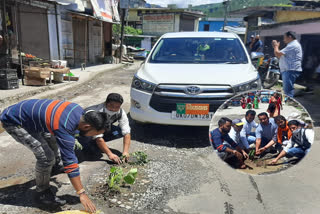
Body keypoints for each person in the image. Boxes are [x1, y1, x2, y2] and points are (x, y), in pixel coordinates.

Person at [0, 99, 109, 212]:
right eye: (94, 134)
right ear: (86, 126)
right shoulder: (64, 127)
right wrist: (81, 193)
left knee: (52, 139)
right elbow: (70, 162)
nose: (92, 137)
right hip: (14, 121)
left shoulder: (78, 111)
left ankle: (55, 166)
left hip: (30, 116)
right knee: (46, 158)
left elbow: (64, 130)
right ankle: (42, 193)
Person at [78, 93, 131, 164]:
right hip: (86, 131)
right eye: (111, 105)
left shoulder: (120, 112)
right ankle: (87, 145)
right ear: (106, 103)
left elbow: (126, 131)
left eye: (117, 107)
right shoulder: (95, 113)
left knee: (120, 131)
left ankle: (97, 144)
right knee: (90, 148)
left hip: (101, 130)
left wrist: (125, 152)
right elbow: (98, 137)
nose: (114, 109)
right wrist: (110, 154)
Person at [272, 31, 303, 98]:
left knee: (288, 92)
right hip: (289, 70)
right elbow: (279, 55)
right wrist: (276, 48)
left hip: (290, 70)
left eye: (285, 37)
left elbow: (277, 53)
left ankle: (289, 104)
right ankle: (288, 102)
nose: (284, 39)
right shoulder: (291, 45)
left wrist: (276, 46)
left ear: (290, 37)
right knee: (287, 90)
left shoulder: (293, 45)